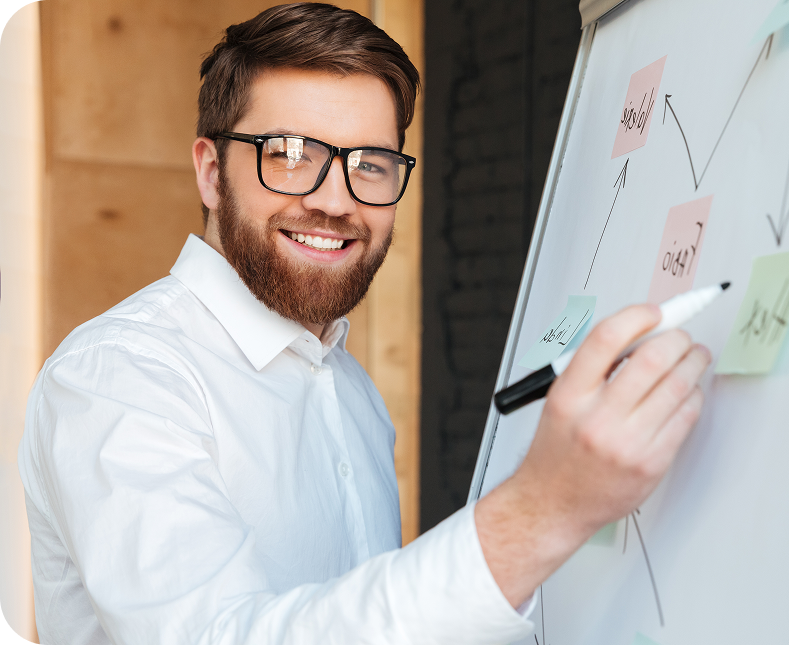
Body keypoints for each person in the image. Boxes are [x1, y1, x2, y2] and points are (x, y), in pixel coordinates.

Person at [18, 3, 711, 644]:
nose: (334, 199)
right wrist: (540, 512)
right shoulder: (117, 377)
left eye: (370, 164)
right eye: (289, 154)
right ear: (209, 171)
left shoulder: (349, 387)